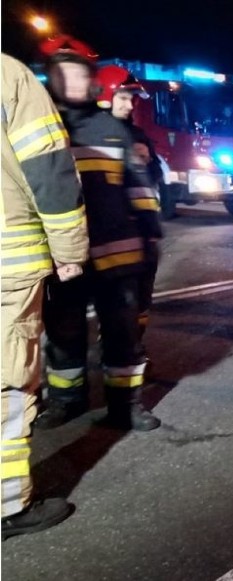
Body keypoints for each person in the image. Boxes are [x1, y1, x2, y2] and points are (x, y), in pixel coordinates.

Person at [34, 35, 163, 431]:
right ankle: (66, 402)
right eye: (65, 73)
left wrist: (151, 235)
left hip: (119, 255)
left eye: (80, 73)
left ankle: (125, 407)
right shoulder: (43, 128)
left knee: (123, 334)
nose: (73, 82)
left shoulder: (112, 128)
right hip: (64, 258)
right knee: (64, 333)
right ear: (52, 78)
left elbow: (138, 187)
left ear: (91, 79)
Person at [1, 53, 89, 539]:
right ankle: (8, 507)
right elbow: (51, 173)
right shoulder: (8, 77)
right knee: (8, 384)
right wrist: (69, 249)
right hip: (6, 266)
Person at [95, 64, 162, 348]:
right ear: (105, 97)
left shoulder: (138, 135)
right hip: (111, 237)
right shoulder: (92, 136)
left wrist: (147, 162)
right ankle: (117, 347)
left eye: (131, 99)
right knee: (118, 302)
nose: (129, 104)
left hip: (143, 235)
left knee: (142, 300)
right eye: (123, 97)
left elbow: (157, 175)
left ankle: (135, 344)